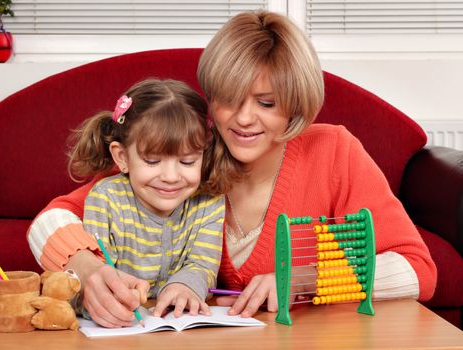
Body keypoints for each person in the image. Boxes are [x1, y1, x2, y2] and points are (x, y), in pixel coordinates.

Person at [27, 11, 436, 327]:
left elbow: (417, 270)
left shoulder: (334, 151)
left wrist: (305, 281)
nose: (243, 119)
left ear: (296, 103)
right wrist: (89, 268)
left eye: (267, 103)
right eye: (229, 99)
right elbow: (51, 221)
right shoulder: (187, 154)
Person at [35, 78, 238, 326]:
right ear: (122, 157)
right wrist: (108, 299)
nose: (171, 177)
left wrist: (185, 286)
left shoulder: (208, 201)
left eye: (187, 162)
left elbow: (203, 264)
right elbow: (92, 276)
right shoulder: (106, 199)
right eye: (153, 162)